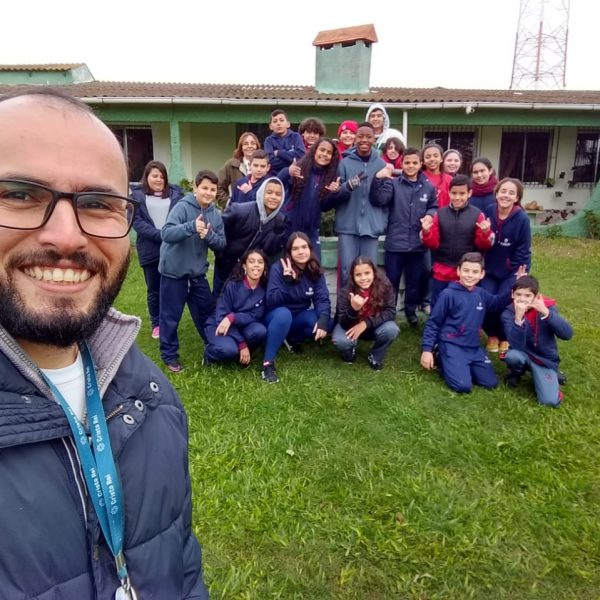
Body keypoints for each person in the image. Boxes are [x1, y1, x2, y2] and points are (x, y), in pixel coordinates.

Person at [0, 89, 207, 597]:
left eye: (97, 204)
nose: (67, 237)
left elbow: (182, 565)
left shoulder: (153, 399)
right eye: (20, 194)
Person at [420, 252, 522, 393]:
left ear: (482, 274)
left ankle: (461, 365)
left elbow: (497, 303)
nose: (469, 275)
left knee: (490, 383)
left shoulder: (480, 293)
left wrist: (515, 287)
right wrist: (426, 350)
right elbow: (434, 323)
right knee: (463, 386)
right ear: (458, 271)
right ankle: (440, 355)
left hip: (473, 347)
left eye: (475, 272)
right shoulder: (448, 295)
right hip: (451, 344)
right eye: (466, 270)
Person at [159, 169, 226, 372]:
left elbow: (221, 243)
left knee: (207, 313)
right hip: (174, 273)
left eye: (212, 189)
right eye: (204, 188)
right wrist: (191, 227)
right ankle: (170, 356)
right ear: (195, 188)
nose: (208, 193)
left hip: (197, 274)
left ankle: (213, 347)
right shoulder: (182, 207)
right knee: (170, 317)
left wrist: (209, 236)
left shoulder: (215, 214)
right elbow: (166, 233)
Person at [371, 147, 438, 325]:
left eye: (415, 162)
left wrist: (430, 215)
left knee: (414, 281)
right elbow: (379, 199)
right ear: (402, 164)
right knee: (391, 281)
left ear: (421, 164)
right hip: (395, 243)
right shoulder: (394, 184)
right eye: (407, 162)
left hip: (417, 245)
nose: (411, 166)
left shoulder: (428, 186)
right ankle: (390, 312)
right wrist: (379, 179)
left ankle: (410, 310)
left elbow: (434, 206)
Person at [261, 232, 331, 383]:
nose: (301, 252)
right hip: (275, 317)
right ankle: (267, 364)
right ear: (289, 252)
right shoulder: (278, 268)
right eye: (295, 248)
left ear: (310, 249)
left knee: (322, 321)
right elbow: (271, 301)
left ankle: (292, 339)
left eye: (304, 247)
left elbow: (322, 298)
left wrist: (324, 319)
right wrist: (287, 283)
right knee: (284, 314)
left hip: (297, 317)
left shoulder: (314, 269)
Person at [421, 174, 494, 307]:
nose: (457, 197)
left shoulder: (477, 215)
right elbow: (433, 244)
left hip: (466, 272)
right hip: (442, 270)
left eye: (462, 193)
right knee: (439, 305)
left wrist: (485, 233)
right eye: (454, 193)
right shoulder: (440, 214)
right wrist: (426, 232)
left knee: (463, 307)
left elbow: (482, 246)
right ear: (449, 192)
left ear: (469, 193)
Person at [130, 160, 184, 340]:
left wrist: (172, 235)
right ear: (147, 177)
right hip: (150, 250)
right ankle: (156, 324)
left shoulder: (175, 194)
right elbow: (137, 223)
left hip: (172, 250)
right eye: (155, 176)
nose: (159, 179)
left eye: (162, 176)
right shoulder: (137, 196)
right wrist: (163, 235)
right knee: (154, 289)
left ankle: (169, 321)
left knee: (171, 288)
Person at [501, 275, 573, 407]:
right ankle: (515, 373)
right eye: (518, 294)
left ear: (536, 296)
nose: (522, 299)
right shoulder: (508, 314)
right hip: (522, 353)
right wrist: (518, 318)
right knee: (512, 356)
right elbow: (516, 344)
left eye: (527, 295)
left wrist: (546, 313)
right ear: (512, 294)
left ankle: (551, 375)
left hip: (544, 359)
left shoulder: (548, 308)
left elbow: (567, 335)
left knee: (549, 401)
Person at [481, 177, 532, 355]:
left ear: (517, 198)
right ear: (496, 193)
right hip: (489, 269)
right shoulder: (488, 211)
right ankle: (492, 335)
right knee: (486, 300)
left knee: (505, 302)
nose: (506, 195)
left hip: (511, 271)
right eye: (503, 191)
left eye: (511, 193)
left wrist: (519, 274)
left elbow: (524, 249)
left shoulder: (522, 218)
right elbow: (481, 239)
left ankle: (505, 337)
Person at [213, 176, 288, 297]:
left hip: (252, 272)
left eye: (278, 194)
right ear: (261, 193)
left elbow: (273, 252)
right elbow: (219, 230)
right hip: (227, 267)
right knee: (220, 301)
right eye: (269, 192)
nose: (273, 197)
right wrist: (222, 257)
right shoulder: (240, 210)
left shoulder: (280, 221)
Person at [278, 137, 349, 259]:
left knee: (315, 264)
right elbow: (277, 183)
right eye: (322, 150)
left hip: (311, 229)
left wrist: (334, 193)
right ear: (315, 151)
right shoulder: (299, 167)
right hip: (290, 225)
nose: (324, 154)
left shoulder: (331, 176)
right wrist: (288, 172)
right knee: (289, 263)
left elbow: (325, 207)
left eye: (329, 152)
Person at [336, 122, 388, 287]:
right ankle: (346, 303)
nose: (364, 140)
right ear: (355, 138)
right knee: (347, 271)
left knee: (369, 273)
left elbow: (386, 198)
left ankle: (368, 304)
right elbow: (336, 194)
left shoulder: (381, 164)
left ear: (374, 139)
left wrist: (381, 222)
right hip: (347, 227)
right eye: (360, 136)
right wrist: (348, 186)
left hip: (371, 228)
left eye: (368, 136)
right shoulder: (344, 163)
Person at [332, 256, 399, 370]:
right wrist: (354, 309)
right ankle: (349, 353)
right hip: (350, 327)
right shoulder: (346, 290)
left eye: (367, 273)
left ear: (374, 272)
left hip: (374, 326)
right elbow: (342, 322)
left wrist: (366, 323)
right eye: (358, 275)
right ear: (353, 276)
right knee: (340, 340)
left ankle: (375, 355)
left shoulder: (385, 285)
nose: (363, 278)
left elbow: (390, 312)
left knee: (392, 329)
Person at [204, 249, 268, 366]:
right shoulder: (232, 285)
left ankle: (241, 357)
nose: (256, 265)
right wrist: (241, 343)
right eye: (251, 261)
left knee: (260, 331)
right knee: (229, 350)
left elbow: (254, 316)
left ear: (264, 267)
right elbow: (222, 316)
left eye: (260, 262)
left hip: (240, 325)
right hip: (219, 323)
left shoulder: (263, 290)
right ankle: (209, 353)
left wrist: (233, 317)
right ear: (244, 266)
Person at [216, 131, 261, 207]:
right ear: (241, 147)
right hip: (237, 210)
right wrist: (228, 204)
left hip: (257, 210)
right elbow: (218, 186)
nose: (249, 146)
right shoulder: (232, 164)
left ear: (257, 146)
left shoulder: (263, 165)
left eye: (253, 143)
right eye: (246, 144)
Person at [264, 109, 305, 175]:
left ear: (288, 124)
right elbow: (270, 162)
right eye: (275, 121)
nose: (278, 123)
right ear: (270, 126)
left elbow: (301, 156)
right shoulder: (268, 140)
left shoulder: (295, 136)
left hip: (294, 176)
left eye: (282, 120)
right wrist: (291, 159)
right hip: (275, 176)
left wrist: (279, 153)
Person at [422, 142, 452, 208]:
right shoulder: (418, 177)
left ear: (441, 159)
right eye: (428, 157)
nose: (432, 159)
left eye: (436, 156)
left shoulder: (449, 180)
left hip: (443, 214)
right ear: (423, 161)